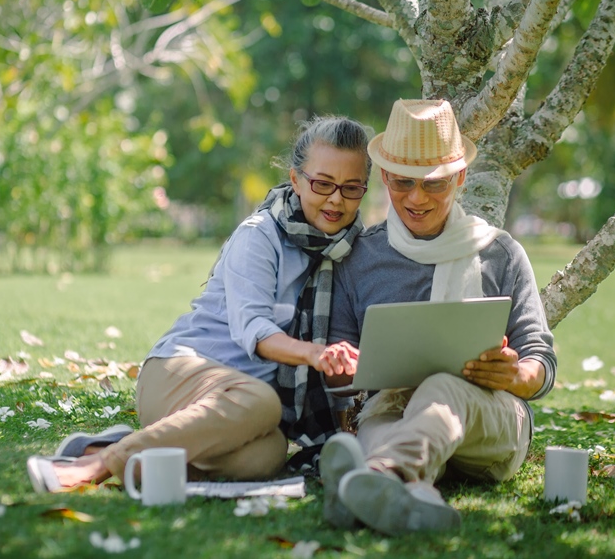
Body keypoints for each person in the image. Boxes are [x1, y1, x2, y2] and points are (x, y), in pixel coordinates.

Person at [27, 116, 373, 492]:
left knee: (269, 455)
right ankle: (100, 463)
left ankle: (110, 445)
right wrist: (314, 354)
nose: (336, 199)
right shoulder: (259, 237)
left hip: (238, 411)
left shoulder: (347, 252)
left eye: (351, 188)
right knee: (262, 403)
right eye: (323, 184)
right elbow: (255, 330)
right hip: (181, 373)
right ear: (295, 180)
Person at [318, 99, 557, 535]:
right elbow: (342, 383)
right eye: (403, 182)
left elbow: (541, 362)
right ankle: (408, 494)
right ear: (385, 177)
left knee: (442, 386)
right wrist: (340, 366)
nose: (416, 198)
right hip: (392, 411)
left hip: (487, 421)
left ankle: (370, 479)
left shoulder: (500, 253)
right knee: (380, 427)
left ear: (460, 178)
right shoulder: (358, 258)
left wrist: (514, 376)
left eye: (435, 184)